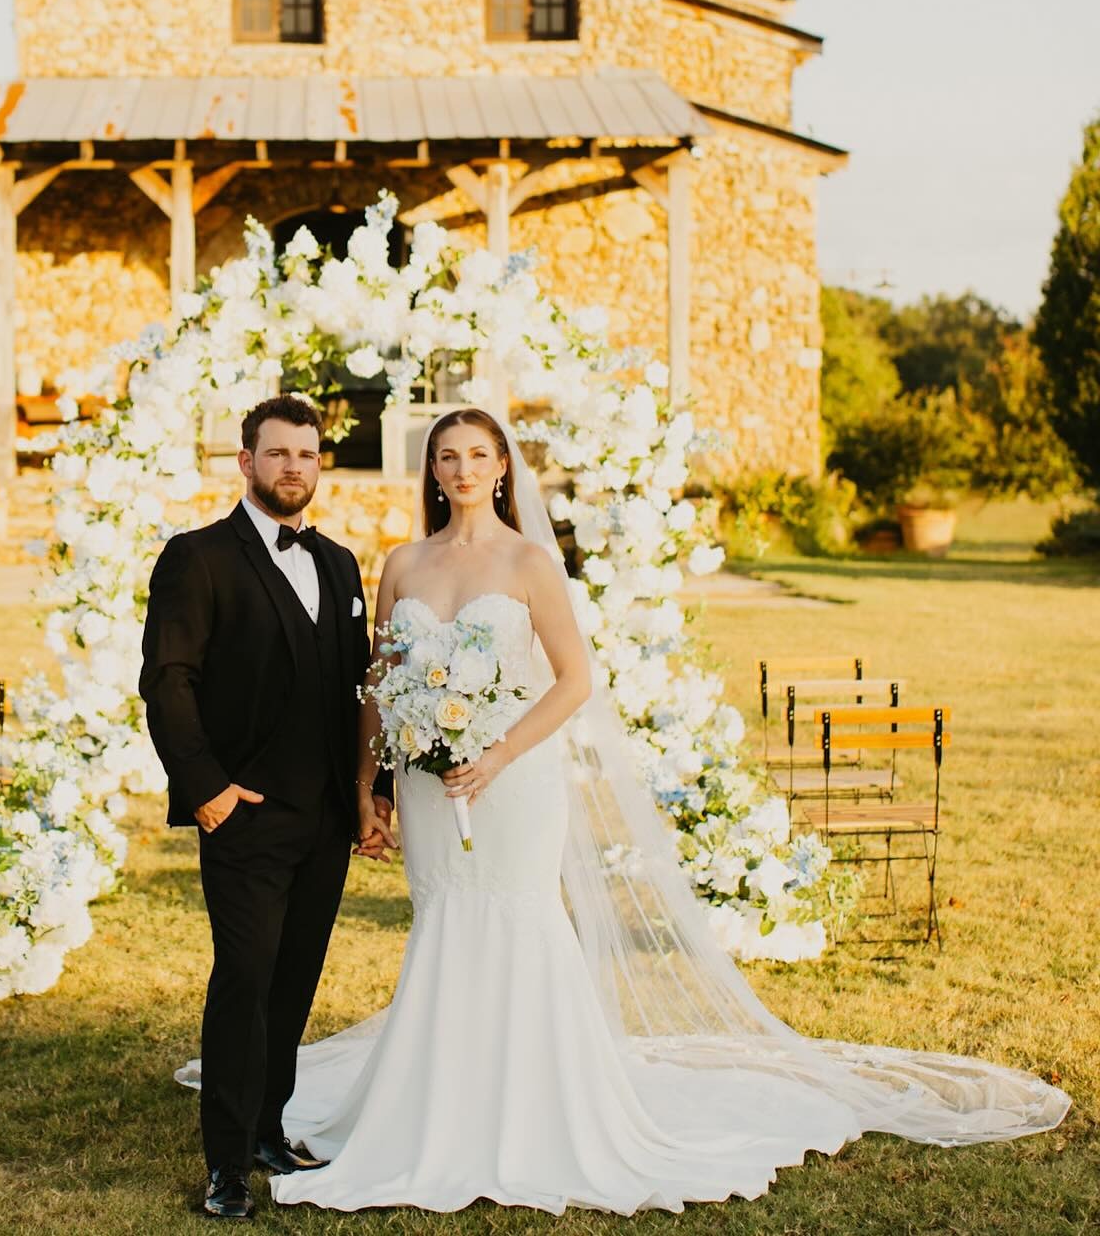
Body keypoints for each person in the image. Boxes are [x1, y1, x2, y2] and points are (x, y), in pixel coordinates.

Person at [268, 406, 1069, 1216]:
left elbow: (574, 681)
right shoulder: (403, 563)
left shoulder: (531, 562)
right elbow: (383, 680)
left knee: (516, 920)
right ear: (431, 472)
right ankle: (431, 1108)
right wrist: (373, 783)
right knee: (444, 920)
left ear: (503, 467)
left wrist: (499, 753)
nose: (464, 469)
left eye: (479, 454)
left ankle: (532, 1114)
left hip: (509, 782)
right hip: (429, 789)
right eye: (447, 457)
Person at [139, 394, 396, 1222]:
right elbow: (168, 681)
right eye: (278, 453)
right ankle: (225, 1164)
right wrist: (207, 789)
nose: (294, 467)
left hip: (324, 818)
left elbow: (361, 690)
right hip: (243, 815)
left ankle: (268, 1128)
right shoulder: (198, 558)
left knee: (294, 981)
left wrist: (371, 792)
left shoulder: (339, 564)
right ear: (244, 463)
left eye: (308, 455)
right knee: (244, 981)